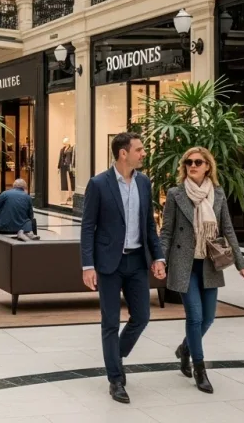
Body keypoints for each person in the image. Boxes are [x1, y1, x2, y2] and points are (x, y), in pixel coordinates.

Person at [80, 132, 166, 405]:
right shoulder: (98, 184)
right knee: (110, 321)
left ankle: (114, 356)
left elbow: (149, 224)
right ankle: (115, 379)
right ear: (123, 153)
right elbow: (87, 227)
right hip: (108, 263)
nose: (144, 153)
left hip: (137, 260)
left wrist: (158, 257)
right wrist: (88, 265)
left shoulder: (144, 182)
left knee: (142, 316)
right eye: (139, 149)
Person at [160, 146, 244, 394]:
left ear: (208, 166)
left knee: (209, 318)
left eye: (198, 162)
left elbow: (227, 229)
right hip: (184, 263)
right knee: (195, 317)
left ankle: (185, 348)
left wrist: (240, 262)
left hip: (210, 263)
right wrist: (160, 260)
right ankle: (199, 369)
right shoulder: (176, 194)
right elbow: (166, 232)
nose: (193, 166)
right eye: (188, 162)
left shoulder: (217, 194)